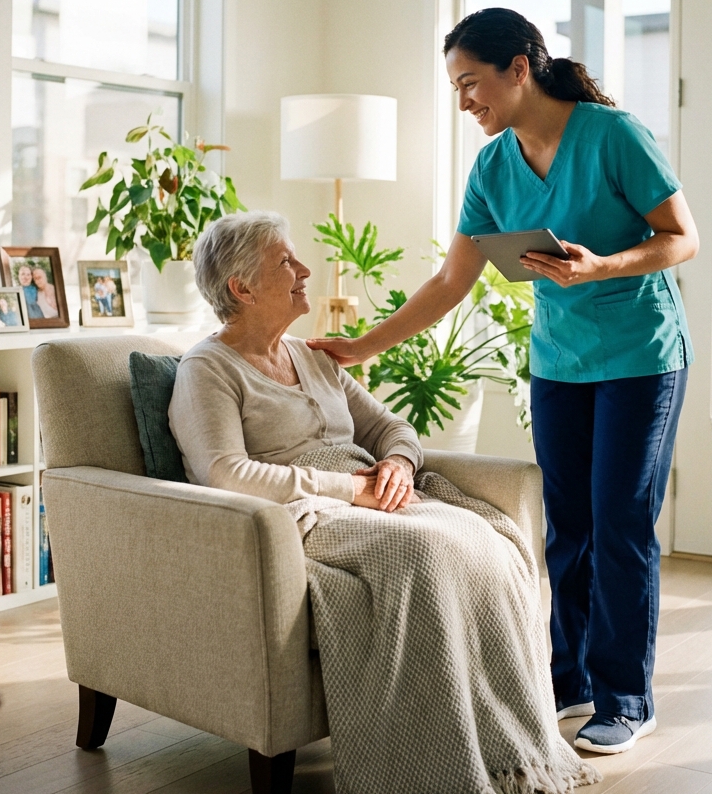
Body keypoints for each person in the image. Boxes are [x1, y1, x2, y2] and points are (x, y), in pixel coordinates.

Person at [309, 7, 699, 756]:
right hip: (560, 363)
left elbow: (683, 237)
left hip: (642, 356)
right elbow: (453, 279)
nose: (464, 103)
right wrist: (364, 345)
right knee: (569, 528)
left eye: (471, 84)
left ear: (519, 68)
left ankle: (628, 696)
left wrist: (602, 265)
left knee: (619, 522)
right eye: (456, 88)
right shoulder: (493, 167)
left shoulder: (614, 135)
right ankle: (571, 679)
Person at [168, 211, 596, 794]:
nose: (305, 270)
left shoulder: (314, 357)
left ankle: (511, 757)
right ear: (241, 288)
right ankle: (436, 774)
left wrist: (395, 464)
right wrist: (350, 489)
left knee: (491, 539)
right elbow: (226, 473)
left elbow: (393, 428)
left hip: (371, 491)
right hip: (303, 513)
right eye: (285, 263)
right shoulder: (207, 368)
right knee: (423, 551)